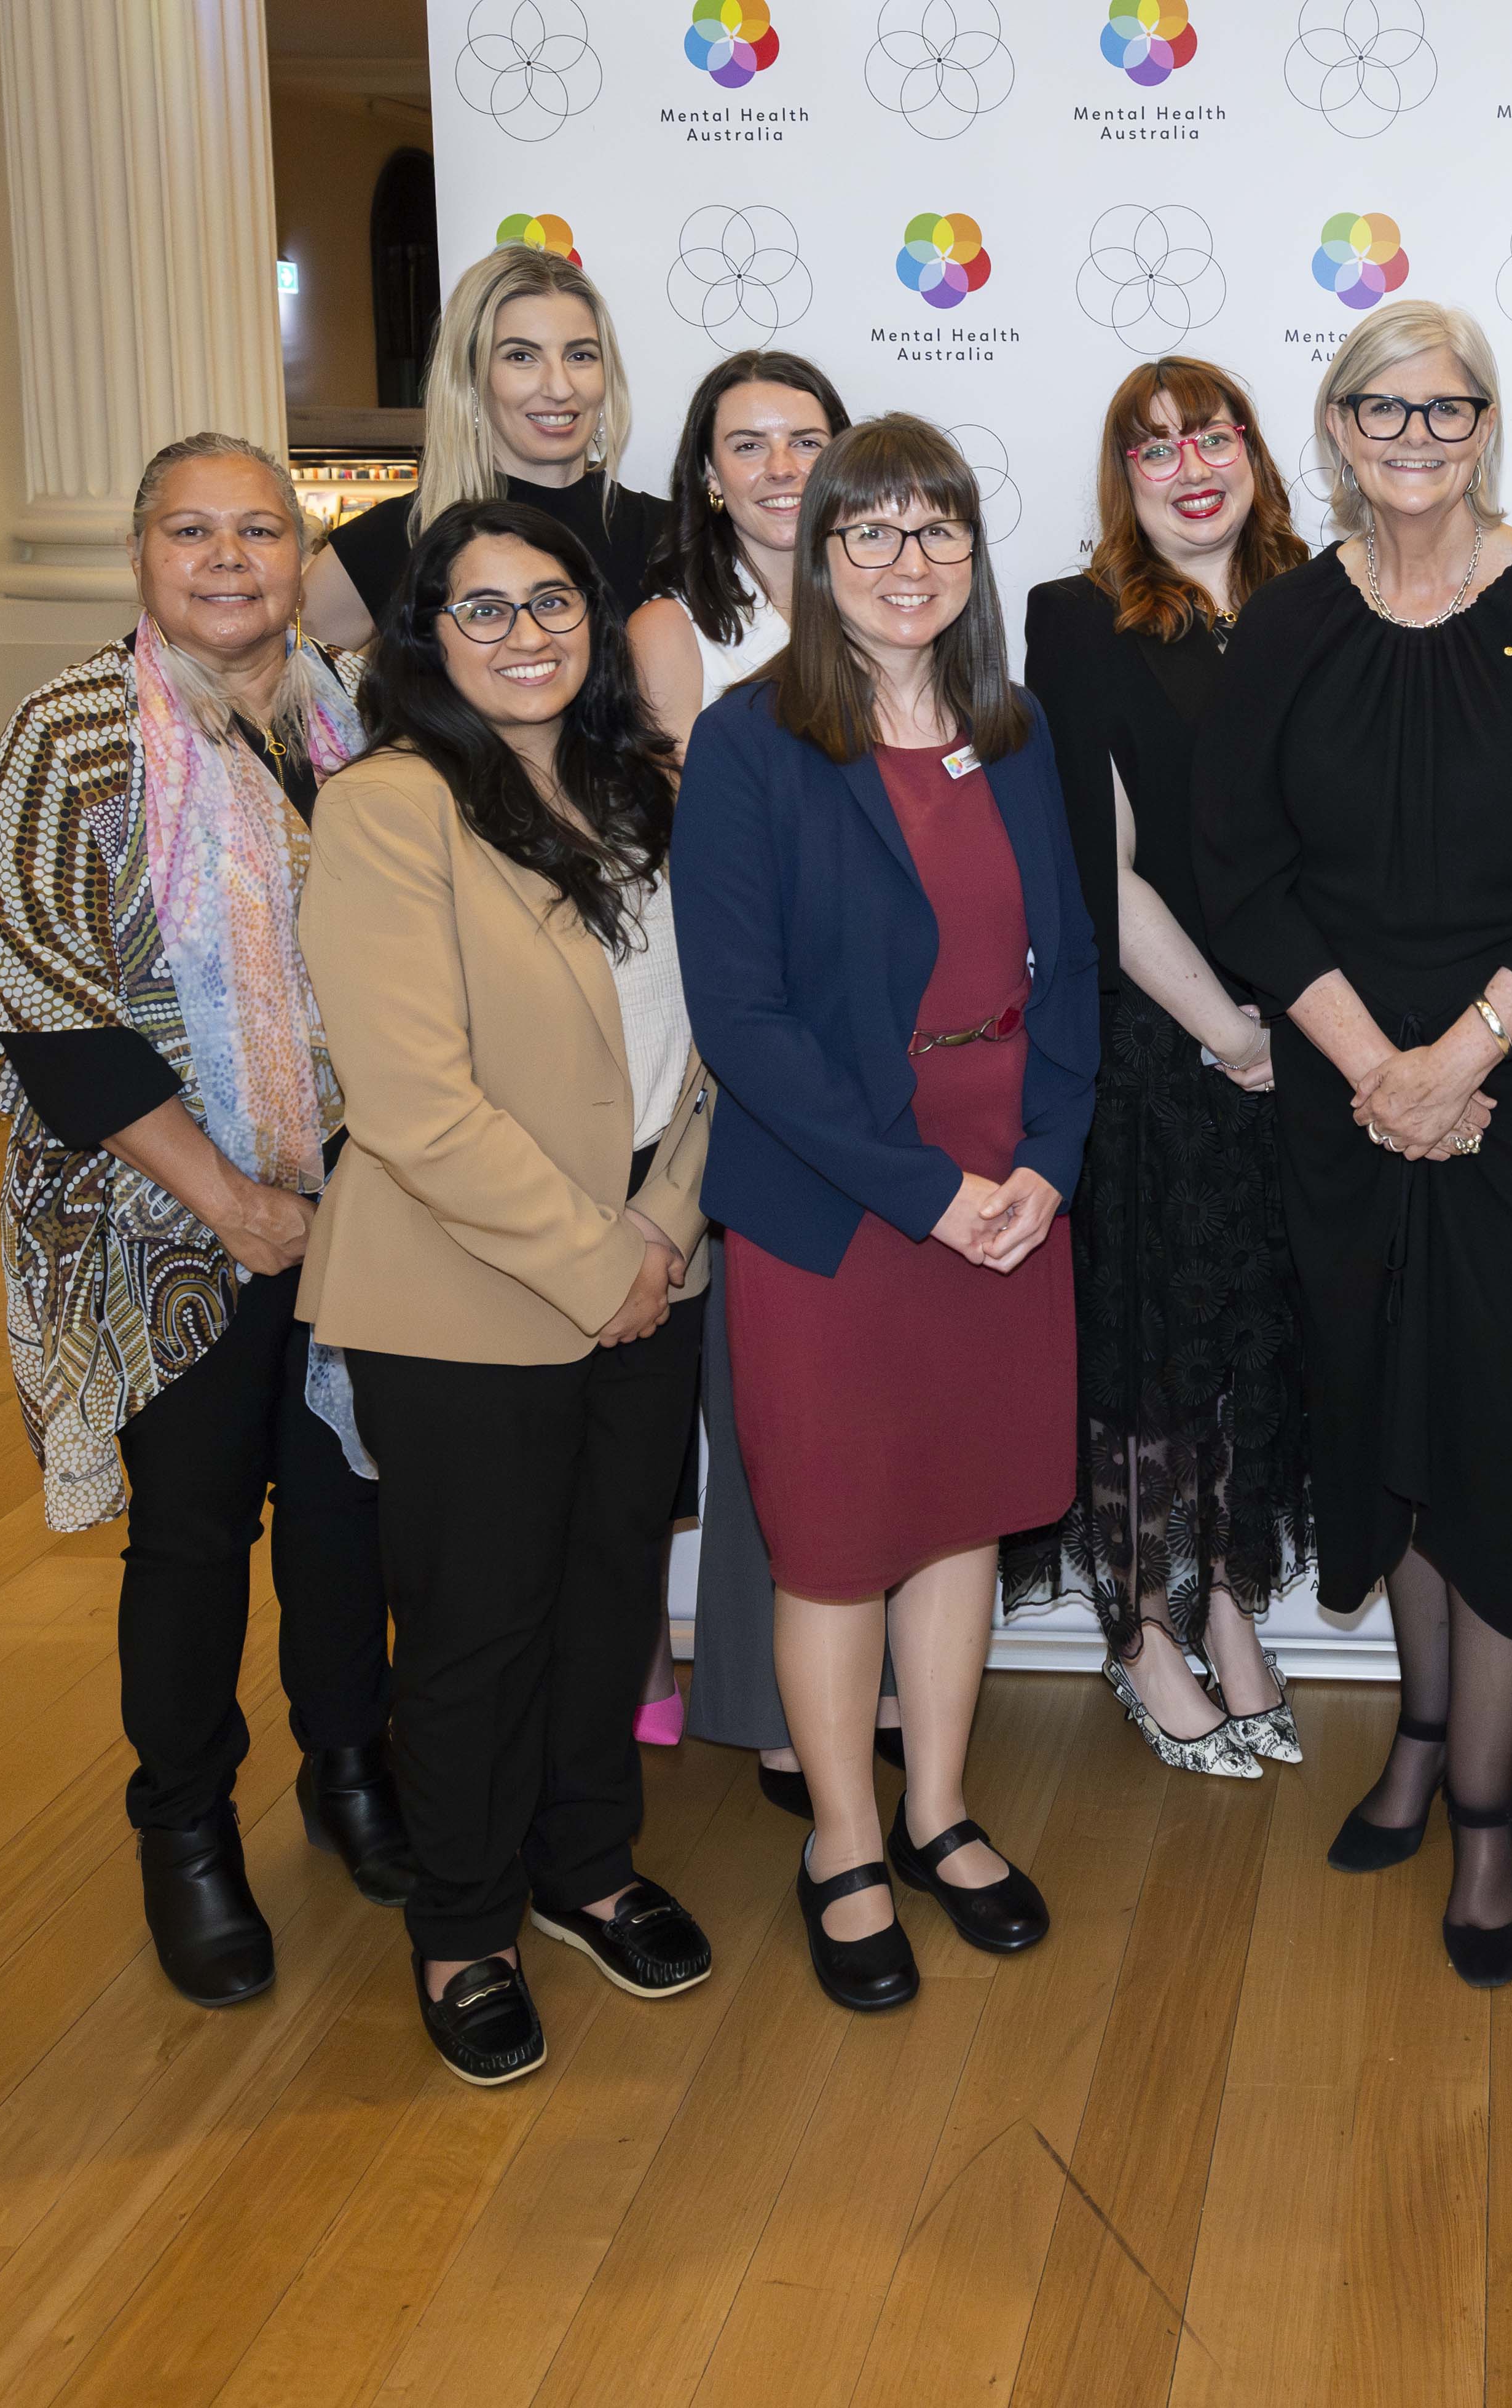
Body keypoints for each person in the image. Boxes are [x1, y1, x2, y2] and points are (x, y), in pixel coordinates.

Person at [1195, 296, 1512, 1988]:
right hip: (1341, 1090)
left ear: (1485, 425)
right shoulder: (1292, 625)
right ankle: (1415, 1725)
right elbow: (1239, 866)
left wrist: (1457, 1055)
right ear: (1335, 433)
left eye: (1443, 410)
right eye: (1379, 412)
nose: (1412, 438)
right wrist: (1373, 1066)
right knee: (1376, 1414)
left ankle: (1485, 1808)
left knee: (1491, 1431)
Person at [0, 431, 407, 2009]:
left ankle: (353, 1771)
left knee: (349, 1502)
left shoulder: (351, 720)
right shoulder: (75, 735)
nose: (228, 561)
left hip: (359, 1208)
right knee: (200, 1531)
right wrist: (229, 1195)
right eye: (189, 532)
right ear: (140, 558)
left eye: (259, 533)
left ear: (302, 557)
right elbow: (41, 994)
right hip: (164, 1226)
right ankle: (187, 1831)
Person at [676, 416, 1098, 2013]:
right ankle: (844, 1838)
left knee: (966, 1508)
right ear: (817, 554)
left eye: (938, 532)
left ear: (974, 558)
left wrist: (1048, 1157)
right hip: (843, 1203)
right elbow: (747, 1023)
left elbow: (1070, 965)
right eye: (872, 533)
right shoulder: (749, 745)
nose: (908, 563)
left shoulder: (1019, 727)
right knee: (842, 1536)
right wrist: (933, 1193)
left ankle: (939, 1809)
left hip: (1010, 1185)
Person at [296, 500, 719, 2085]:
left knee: (611, 1590)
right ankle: (464, 1921)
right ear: (426, 640)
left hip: (648, 1265)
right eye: (483, 611)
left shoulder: (646, 793)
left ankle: (584, 1866)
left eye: (554, 602)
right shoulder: (390, 807)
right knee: (478, 1621)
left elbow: (708, 1042)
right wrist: (598, 1252)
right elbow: (411, 1100)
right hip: (465, 1287)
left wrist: (663, 1227)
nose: (527, 633)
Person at [1000, 358, 1317, 1776]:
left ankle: (1234, 1611)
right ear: (1119, 479)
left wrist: (1304, 1033)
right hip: (1163, 1042)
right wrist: (1228, 1030)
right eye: (1151, 447)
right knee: (1151, 1359)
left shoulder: (1328, 611)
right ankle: (1138, 1629)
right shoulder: (1077, 622)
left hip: (1317, 1048)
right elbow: (1101, 873)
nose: (1189, 464)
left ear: (1253, 450)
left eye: (1213, 434)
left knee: (1264, 1350)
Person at [624, 349, 852, 1784]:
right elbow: (685, 858)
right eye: (745, 444)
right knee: (741, 1389)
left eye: (804, 439)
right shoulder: (667, 628)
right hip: (725, 1042)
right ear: (705, 474)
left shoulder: (891, 594)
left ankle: (844, 1682)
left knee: (834, 1393)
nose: (778, 468)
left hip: (876, 1044)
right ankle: (766, 1707)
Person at [301, 245, 663, 646]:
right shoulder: (394, 539)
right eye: (522, 356)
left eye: (580, 355)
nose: (560, 387)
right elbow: (282, 687)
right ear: (470, 379)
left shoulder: (668, 537)